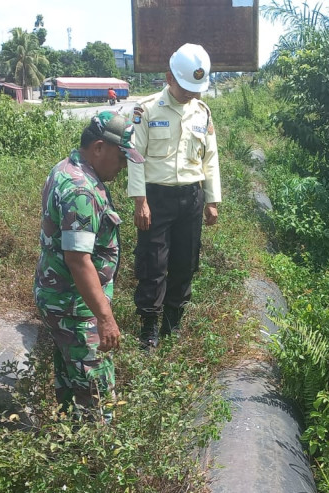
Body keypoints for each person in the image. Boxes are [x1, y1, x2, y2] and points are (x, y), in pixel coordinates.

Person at [33, 111, 144, 419]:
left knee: (71, 382)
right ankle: (99, 459)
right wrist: (105, 318)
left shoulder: (65, 168)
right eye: (120, 158)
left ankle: (70, 446)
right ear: (98, 147)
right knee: (98, 394)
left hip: (62, 300)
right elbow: (78, 261)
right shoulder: (81, 189)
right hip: (74, 307)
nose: (122, 167)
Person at [126, 43, 221, 350]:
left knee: (185, 262)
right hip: (157, 197)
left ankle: (173, 322)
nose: (191, 94)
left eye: (196, 88)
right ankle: (150, 327)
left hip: (191, 197)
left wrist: (212, 200)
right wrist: (140, 201)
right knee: (153, 263)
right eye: (185, 87)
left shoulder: (202, 111)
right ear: (169, 77)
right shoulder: (147, 109)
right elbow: (135, 156)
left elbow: (211, 158)